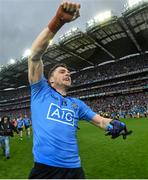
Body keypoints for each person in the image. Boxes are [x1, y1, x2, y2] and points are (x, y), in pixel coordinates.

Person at [28, 1, 132, 179]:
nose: (67, 73)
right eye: (62, 71)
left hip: (74, 170)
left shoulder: (76, 104)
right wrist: (58, 20)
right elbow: (34, 55)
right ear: (51, 79)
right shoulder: (40, 91)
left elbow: (100, 121)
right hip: (45, 170)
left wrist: (115, 124)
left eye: (68, 71)